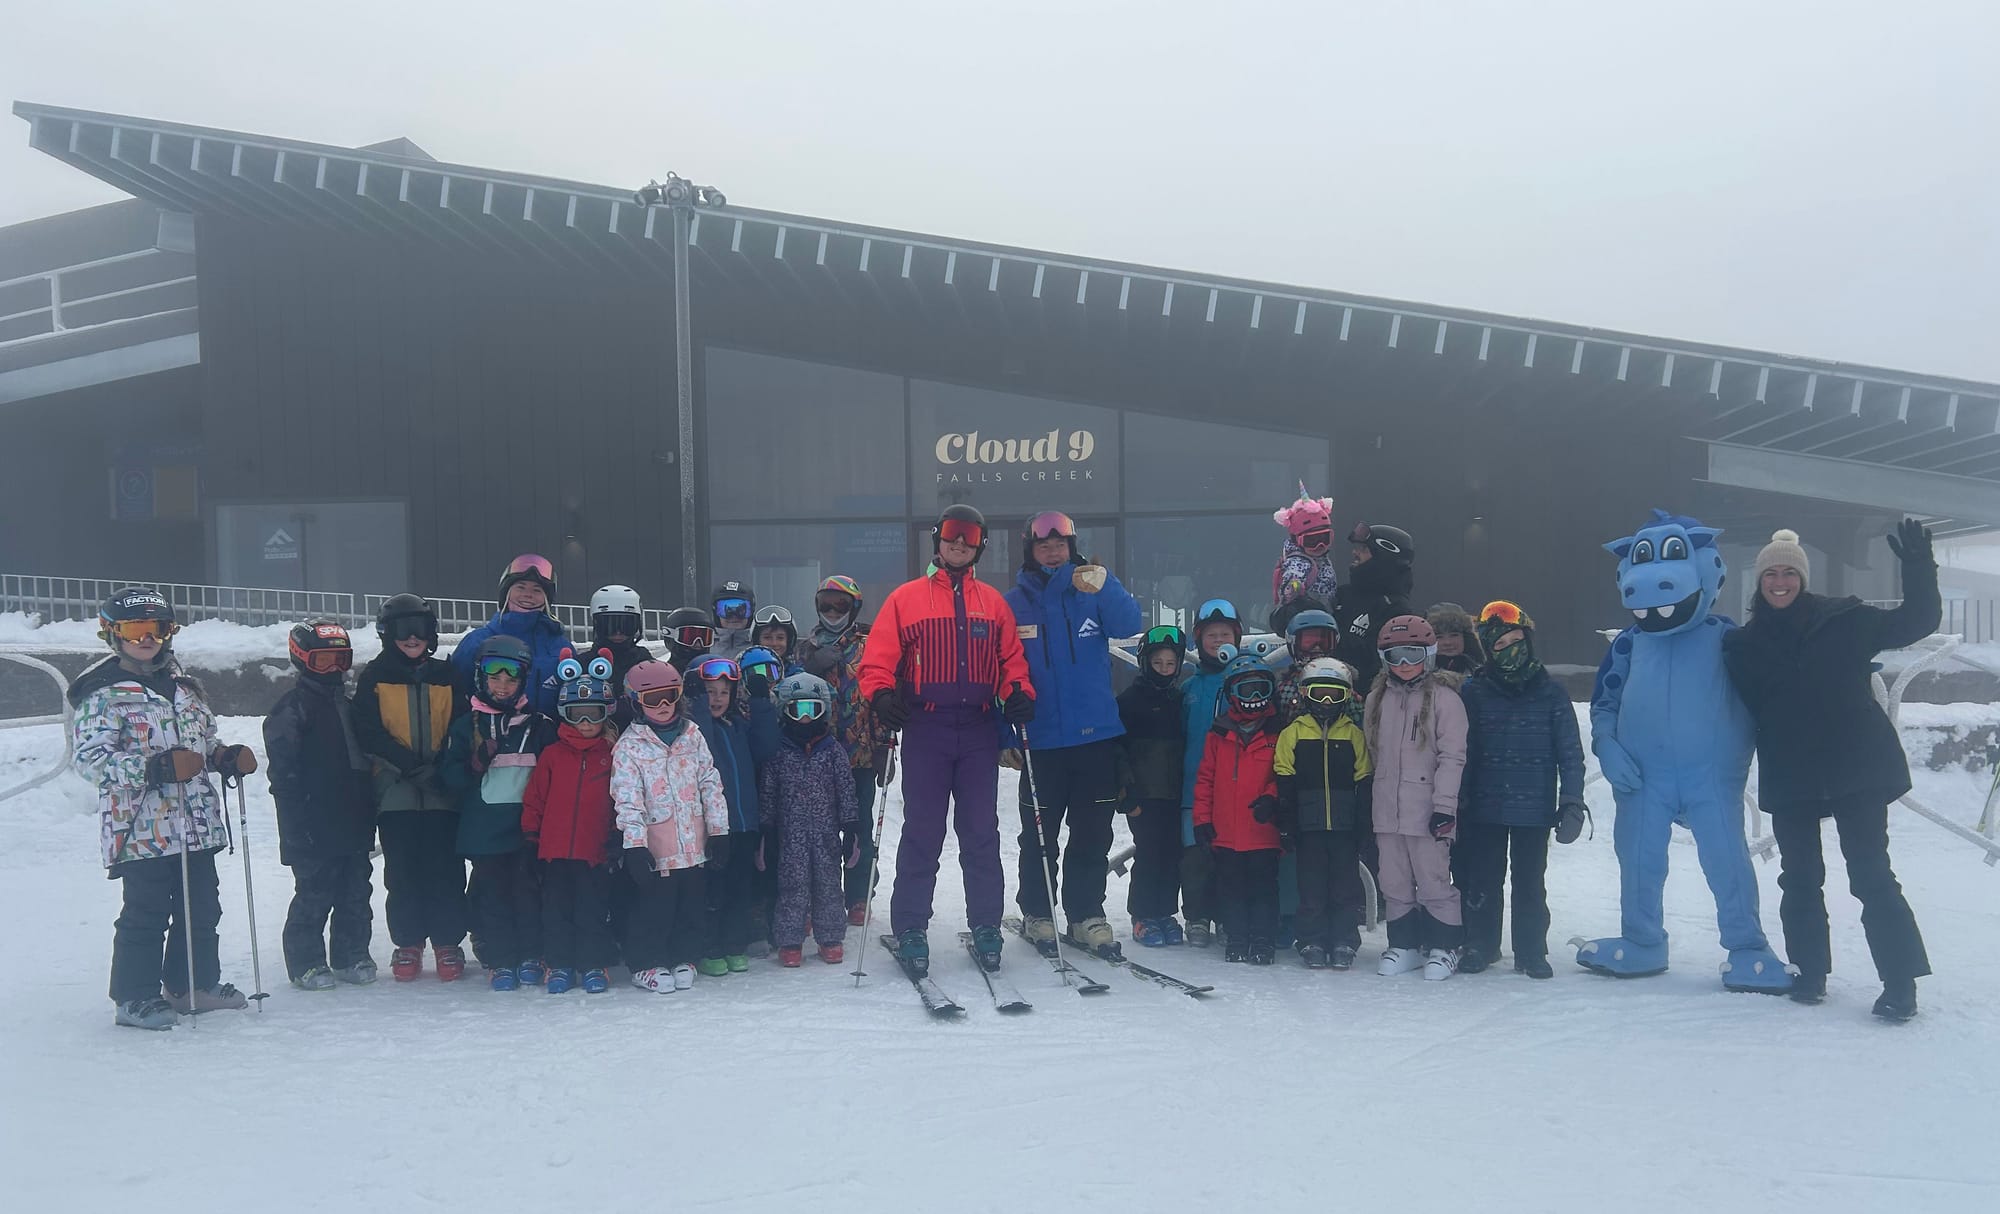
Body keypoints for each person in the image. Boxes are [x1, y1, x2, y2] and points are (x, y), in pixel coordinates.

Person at [1723, 522, 1938, 1021]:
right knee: (1799, 876)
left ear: (1802, 577)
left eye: (1788, 573)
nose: (1780, 582)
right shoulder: (1744, 645)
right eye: (1771, 574)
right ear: (1759, 582)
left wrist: (1918, 567)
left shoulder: (1845, 620)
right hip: (1792, 768)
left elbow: (1917, 619)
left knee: (1871, 874)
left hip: (1855, 764)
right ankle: (1810, 970)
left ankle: (1900, 981)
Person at [859, 503, 1034, 976]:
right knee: (922, 831)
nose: (960, 543)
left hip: (976, 729)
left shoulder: (992, 603)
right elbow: (877, 660)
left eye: (970, 536)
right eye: (952, 534)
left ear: (980, 546)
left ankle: (986, 925)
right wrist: (880, 695)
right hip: (926, 728)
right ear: (937, 539)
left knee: (980, 832)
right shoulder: (906, 599)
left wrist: (1017, 693)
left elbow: (1010, 663)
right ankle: (911, 925)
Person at [71, 588, 256, 1030]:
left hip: (196, 822)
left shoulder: (185, 687)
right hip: (140, 827)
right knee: (147, 911)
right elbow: (90, 761)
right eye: (135, 630)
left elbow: (203, 740)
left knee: (202, 908)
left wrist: (221, 756)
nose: (146, 639)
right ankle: (134, 997)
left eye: (156, 629)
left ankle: (192, 985)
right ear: (112, 635)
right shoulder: (103, 694)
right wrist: (152, 767)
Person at [1002, 509, 1145, 959]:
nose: (1051, 550)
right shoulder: (1012, 604)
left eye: (1059, 543)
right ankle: (1038, 912)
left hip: (1094, 739)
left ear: (1071, 546)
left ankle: (1086, 915)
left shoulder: (1092, 591)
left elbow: (1128, 626)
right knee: (1039, 836)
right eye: (1043, 544)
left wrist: (1107, 583)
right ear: (1031, 549)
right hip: (1039, 742)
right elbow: (999, 671)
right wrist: (1003, 732)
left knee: (1092, 833)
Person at [1456, 601, 1586, 979]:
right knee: (1482, 880)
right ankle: (1481, 944)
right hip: (1485, 806)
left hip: (1535, 808)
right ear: (1489, 651)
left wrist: (1572, 800)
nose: (1511, 649)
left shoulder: (1551, 694)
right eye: (1500, 645)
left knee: (1530, 882)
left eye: (1516, 640)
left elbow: (1570, 753)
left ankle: (1530, 950)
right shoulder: (1475, 692)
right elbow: (1464, 749)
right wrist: (1458, 796)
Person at [352, 593, 468, 982]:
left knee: (445, 868)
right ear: (388, 634)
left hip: (441, 791)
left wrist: (444, 767)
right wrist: (408, 766)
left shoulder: (447, 675)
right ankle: (408, 942)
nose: (412, 638)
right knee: (402, 870)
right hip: (396, 790)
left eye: (419, 630)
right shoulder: (375, 676)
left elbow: (462, 725)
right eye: (403, 631)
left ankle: (448, 941)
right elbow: (368, 731)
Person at [263, 621, 378, 990]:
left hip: (354, 812)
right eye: (323, 660)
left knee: (356, 889)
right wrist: (298, 823)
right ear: (302, 660)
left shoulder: (349, 703)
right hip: (312, 817)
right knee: (315, 891)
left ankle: (351, 954)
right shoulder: (292, 709)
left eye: (339, 660)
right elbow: (283, 774)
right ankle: (306, 962)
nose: (333, 669)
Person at [442, 634, 559, 990]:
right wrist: (474, 763)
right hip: (486, 832)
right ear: (481, 678)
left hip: (526, 830)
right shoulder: (467, 726)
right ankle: (499, 957)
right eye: (495, 677)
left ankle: (530, 953)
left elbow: (555, 773)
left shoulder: (538, 726)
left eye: (512, 679)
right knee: (491, 897)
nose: (503, 686)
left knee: (528, 893)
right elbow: (449, 777)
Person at [612, 660, 729, 993]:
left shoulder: (693, 735)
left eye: (669, 696)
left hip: (693, 845)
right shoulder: (629, 747)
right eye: (653, 699)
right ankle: (646, 963)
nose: (663, 706)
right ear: (636, 702)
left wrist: (719, 832)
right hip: (657, 848)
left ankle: (684, 956)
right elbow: (628, 801)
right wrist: (634, 846)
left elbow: (710, 782)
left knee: (690, 906)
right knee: (654, 910)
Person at [1365, 615, 1467, 981]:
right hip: (1387, 810)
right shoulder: (1377, 698)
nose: (1404, 664)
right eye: (1395, 657)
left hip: (1426, 809)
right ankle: (1405, 944)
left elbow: (1452, 757)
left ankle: (1445, 945)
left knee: (1433, 878)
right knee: (1393, 880)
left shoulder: (1445, 699)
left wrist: (1444, 807)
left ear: (1429, 654)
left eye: (1412, 654)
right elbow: (1373, 752)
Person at [519, 650, 621, 996]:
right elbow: (535, 797)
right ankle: (559, 963)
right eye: (578, 715)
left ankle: (592, 963)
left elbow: (620, 800)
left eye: (593, 714)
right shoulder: (552, 755)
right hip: (555, 851)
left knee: (592, 911)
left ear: (604, 713)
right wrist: (531, 834)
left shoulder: (612, 754)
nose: (586, 723)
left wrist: (617, 836)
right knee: (556, 911)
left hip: (594, 851)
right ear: (565, 714)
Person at [793, 574, 890, 924]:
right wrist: (809, 666)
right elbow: (790, 691)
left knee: (858, 829)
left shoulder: (869, 645)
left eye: (841, 605)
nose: (833, 612)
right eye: (826, 605)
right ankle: (824, 893)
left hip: (859, 756)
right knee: (819, 830)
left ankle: (859, 895)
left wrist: (883, 748)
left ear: (854, 608)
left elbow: (881, 696)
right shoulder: (806, 646)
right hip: (815, 758)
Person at [1274, 658, 1371, 970]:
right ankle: (1312, 939)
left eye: (1335, 695)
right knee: (1311, 888)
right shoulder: (1293, 734)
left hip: (1344, 827)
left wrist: (1362, 823)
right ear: (1305, 696)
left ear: (1347, 697)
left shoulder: (1354, 734)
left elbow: (1364, 782)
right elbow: (1284, 781)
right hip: (1308, 826)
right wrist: (1287, 824)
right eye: (1319, 694)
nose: (1327, 703)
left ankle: (1344, 939)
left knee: (1345, 888)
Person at [760, 673, 863, 966]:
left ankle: (830, 937)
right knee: (792, 887)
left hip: (825, 834)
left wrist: (850, 824)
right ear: (785, 712)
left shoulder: (832, 751)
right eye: (797, 710)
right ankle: (790, 942)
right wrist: (766, 828)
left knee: (828, 885)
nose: (805, 719)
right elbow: (768, 790)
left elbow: (846, 789)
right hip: (790, 834)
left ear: (824, 712)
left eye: (812, 710)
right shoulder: (778, 752)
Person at [689, 654, 780, 975]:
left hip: (744, 824)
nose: (717, 699)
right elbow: (705, 748)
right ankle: (709, 946)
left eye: (723, 692)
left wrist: (759, 702)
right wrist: (696, 704)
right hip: (714, 829)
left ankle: (733, 943)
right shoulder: (693, 732)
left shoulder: (738, 726)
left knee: (740, 889)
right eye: (709, 692)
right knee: (714, 890)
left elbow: (767, 747)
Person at [1192, 655, 1284, 965]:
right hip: (1226, 834)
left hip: (1263, 833)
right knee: (1230, 890)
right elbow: (1205, 779)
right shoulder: (1218, 734)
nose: (1255, 698)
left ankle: (1262, 938)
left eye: (1261, 689)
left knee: (1263, 889)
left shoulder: (1278, 732)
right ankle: (1237, 935)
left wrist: (1272, 798)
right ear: (1232, 695)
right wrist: (1201, 820)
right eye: (1247, 691)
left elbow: (1285, 774)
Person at [1116, 625, 1189, 947]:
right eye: (1157, 663)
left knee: (1172, 853)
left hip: (1174, 791)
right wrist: (1125, 792)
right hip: (1144, 794)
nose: (1163, 670)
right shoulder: (1130, 701)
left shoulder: (1180, 698)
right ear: (1145, 663)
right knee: (1148, 852)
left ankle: (1165, 913)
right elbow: (1118, 751)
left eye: (1170, 664)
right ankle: (1143, 914)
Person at [1179, 598, 1245, 947]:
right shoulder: (1190, 687)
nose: (1219, 641)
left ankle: (1228, 915)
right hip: (1194, 791)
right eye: (1211, 635)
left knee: (1230, 854)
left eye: (1225, 634)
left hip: (1235, 789)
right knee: (1195, 856)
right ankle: (1197, 915)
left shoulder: (1250, 680)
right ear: (1199, 640)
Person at [452, 554, 570, 717]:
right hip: (489, 737)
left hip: (547, 739)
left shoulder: (561, 648)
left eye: (537, 590)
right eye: (520, 587)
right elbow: (456, 694)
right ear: (506, 592)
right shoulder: (476, 642)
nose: (528, 595)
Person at [1332, 523, 1417, 693]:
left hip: (1365, 701)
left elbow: (1375, 660)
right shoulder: (1344, 593)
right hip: (1327, 692)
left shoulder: (1396, 610)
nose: (1354, 553)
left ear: (1382, 557)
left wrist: (1332, 638)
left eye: (1363, 549)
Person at [1271, 485, 1339, 633]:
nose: (1319, 545)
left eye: (1324, 538)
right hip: (1310, 623)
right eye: (1311, 541)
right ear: (1297, 541)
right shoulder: (1298, 563)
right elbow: (1291, 586)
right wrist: (1295, 589)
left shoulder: (1321, 559)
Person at [589, 584, 652, 729]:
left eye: (626, 625)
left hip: (641, 738)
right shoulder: (585, 663)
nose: (618, 633)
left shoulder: (643, 660)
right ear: (597, 625)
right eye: (609, 626)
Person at [1427, 603, 1485, 676]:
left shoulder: (1483, 674)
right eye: (1439, 637)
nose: (1447, 642)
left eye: (1454, 635)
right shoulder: (1418, 676)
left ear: (1466, 638)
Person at [751, 604, 803, 674]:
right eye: (767, 637)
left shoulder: (798, 676)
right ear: (757, 641)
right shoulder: (747, 673)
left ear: (789, 641)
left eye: (780, 638)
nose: (774, 643)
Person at [662, 605, 717, 672]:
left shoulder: (716, 674)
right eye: (689, 637)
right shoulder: (664, 677)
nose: (698, 644)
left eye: (705, 638)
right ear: (670, 639)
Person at [712, 580, 757, 660]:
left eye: (741, 610)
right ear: (715, 611)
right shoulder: (706, 645)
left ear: (751, 611)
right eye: (726, 610)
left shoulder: (760, 644)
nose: (734, 616)